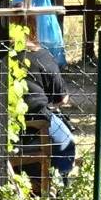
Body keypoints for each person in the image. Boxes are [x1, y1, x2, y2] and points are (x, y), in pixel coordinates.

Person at [16, 34, 77, 187]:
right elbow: (61, 99)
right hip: (38, 122)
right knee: (66, 141)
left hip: (7, 128)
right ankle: (60, 185)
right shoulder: (41, 56)